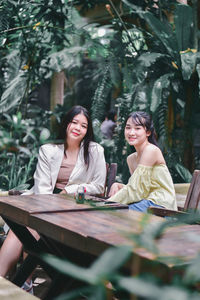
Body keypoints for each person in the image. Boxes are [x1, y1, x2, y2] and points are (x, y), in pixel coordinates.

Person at [0, 105, 107, 292]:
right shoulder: (48, 150)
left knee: (28, 227)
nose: (77, 128)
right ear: (66, 123)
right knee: (23, 228)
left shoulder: (95, 150)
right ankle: (15, 283)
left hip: (75, 208)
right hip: (41, 201)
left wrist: (70, 190)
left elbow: (99, 186)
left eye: (83, 125)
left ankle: (25, 281)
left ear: (87, 130)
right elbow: (41, 190)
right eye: (74, 122)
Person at [108, 111, 177, 212]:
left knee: (116, 212)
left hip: (162, 208)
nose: (131, 132)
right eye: (128, 128)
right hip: (146, 203)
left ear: (148, 132)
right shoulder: (131, 159)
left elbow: (136, 191)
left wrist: (107, 204)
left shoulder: (151, 150)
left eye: (137, 128)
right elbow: (140, 189)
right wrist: (119, 186)